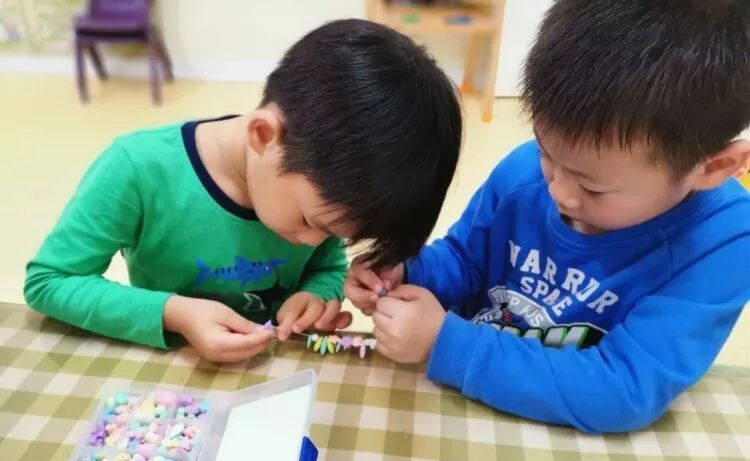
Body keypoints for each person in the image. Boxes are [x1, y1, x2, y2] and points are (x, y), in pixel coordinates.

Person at [346, 0, 750, 433]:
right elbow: (465, 260)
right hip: (460, 410)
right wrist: (409, 271)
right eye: (546, 152)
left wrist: (447, 344)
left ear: (714, 167)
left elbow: (624, 388)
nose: (557, 190)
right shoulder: (525, 172)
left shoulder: (723, 242)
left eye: (592, 187)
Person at [24, 19, 462, 364]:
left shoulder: (324, 193)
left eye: (333, 234)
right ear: (263, 136)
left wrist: (316, 296)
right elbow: (50, 281)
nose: (313, 241)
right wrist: (176, 314)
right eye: (309, 222)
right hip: (169, 375)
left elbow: (326, 267)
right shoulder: (138, 168)